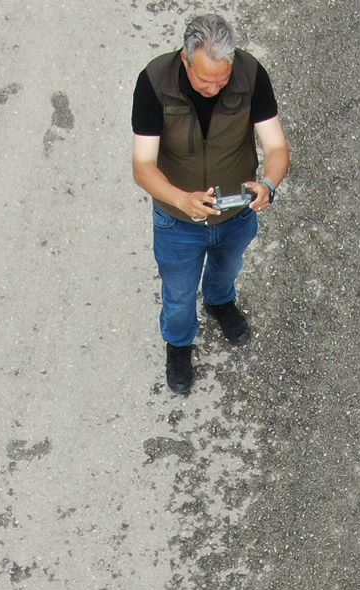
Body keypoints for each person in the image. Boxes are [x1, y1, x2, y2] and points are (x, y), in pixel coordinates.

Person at [132, 13, 291, 395]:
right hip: (178, 221)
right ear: (185, 60)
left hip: (235, 213)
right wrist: (181, 200)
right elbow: (143, 166)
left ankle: (220, 302)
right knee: (180, 292)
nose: (215, 87)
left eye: (222, 78)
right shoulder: (154, 82)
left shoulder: (251, 74)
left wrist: (268, 183)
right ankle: (179, 344)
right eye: (205, 80)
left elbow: (276, 146)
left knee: (228, 267)